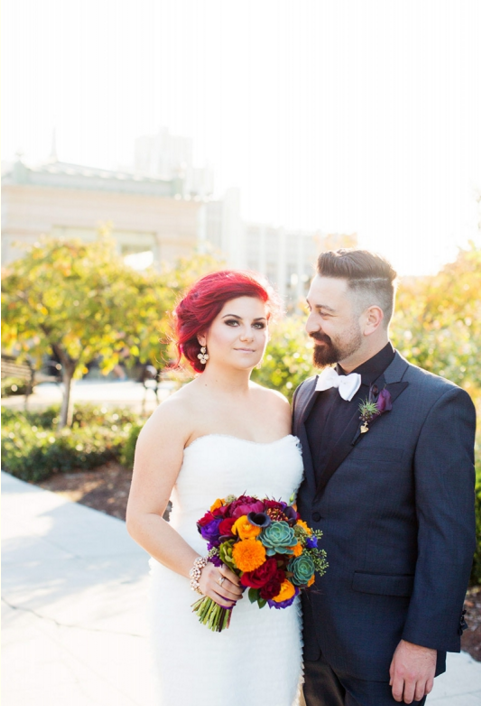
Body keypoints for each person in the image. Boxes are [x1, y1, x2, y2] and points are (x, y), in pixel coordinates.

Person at [293, 249, 476, 706]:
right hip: (304, 640)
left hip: (384, 650)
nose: (310, 324)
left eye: (325, 313)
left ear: (372, 317)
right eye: (309, 309)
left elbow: (448, 536)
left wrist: (423, 642)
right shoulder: (304, 394)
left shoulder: (438, 405)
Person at [126, 270, 304, 706]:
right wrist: (199, 572)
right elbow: (142, 517)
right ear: (202, 332)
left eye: (259, 324)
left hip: (271, 606)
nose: (249, 336)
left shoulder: (279, 406)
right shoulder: (176, 415)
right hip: (200, 600)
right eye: (233, 322)